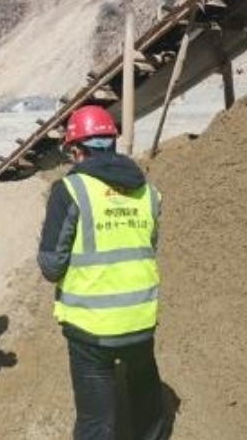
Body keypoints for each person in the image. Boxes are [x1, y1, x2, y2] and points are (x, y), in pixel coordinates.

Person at [37, 105, 168, 440]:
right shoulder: (148, 192)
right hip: (140, 320)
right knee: (147, 403)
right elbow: (147, 248)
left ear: (76, 149)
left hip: (91, 328)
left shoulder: (71, 190)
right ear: (112, 142)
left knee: (96, 422)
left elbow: (51, 267)